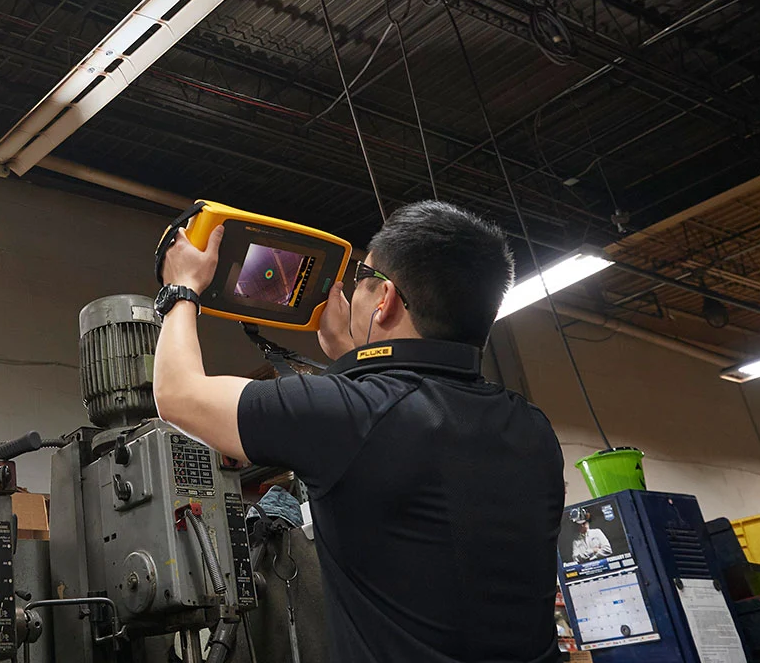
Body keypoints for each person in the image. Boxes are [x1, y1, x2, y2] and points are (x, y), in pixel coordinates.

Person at [154, 199, 565, 663]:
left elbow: (178, 394)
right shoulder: (533, 429)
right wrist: (356, 354)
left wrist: (181, 289)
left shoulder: (350, 416)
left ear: (385, 299)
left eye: (362, 279)